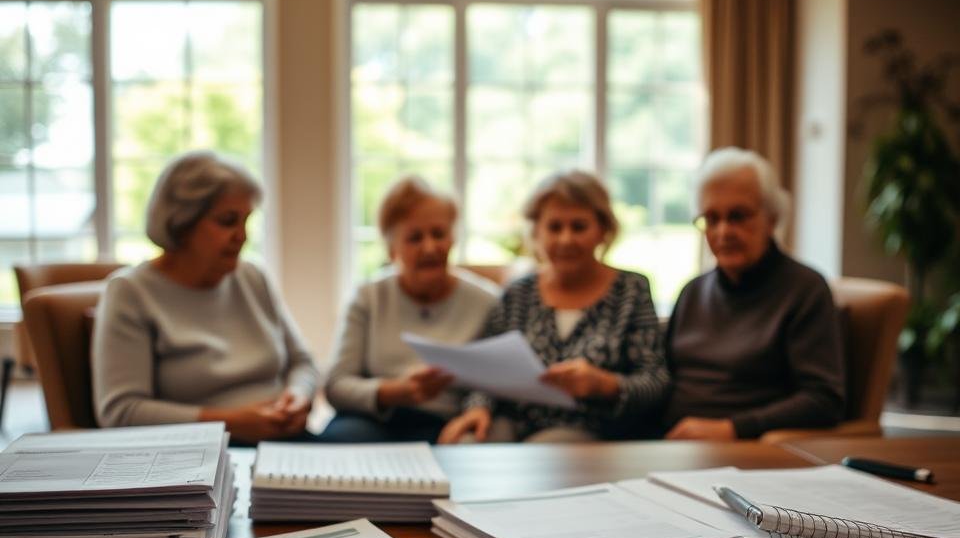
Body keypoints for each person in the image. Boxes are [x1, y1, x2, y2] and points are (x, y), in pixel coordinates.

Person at [93, 151, 321, 445]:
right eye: (227, 221)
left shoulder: (252, 277)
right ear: (181, 223)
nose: (242, 236)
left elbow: (302, 362)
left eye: (246, 221)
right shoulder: (130, 292)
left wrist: (299, 396)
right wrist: (231, 423)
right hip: (201, 456)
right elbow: (120, 411)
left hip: (285, 441)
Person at [439, 170, 669, 444]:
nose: (565, 239)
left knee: (546, 450)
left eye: (579, 227)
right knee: (465, 443)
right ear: (536, 232)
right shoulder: (518, 293)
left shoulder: (631, 290)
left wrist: (605, 384)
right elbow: (488, 370)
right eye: (554, 227)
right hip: (512, 421)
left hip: (590, 430)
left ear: (603, 230)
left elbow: (656, 380)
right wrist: (477, 408)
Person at [664, 147, 845, 440]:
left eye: (738, 216)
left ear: (772, 218)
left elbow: (824, 400)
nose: (723, 232)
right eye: (711, 218)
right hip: (670, 446)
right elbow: (664, 383)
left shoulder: (805, 290)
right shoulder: (693, 292)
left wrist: (732, 428)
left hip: (749, 454)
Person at [321, 176, 500, 443]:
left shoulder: (487, 301)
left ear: (452, 238)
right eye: (415, 238)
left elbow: (497, 378)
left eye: (438, 234)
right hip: (376, 417)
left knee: (470, 446)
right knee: (340, 442)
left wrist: (475, 409)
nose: (430, 247)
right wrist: (394, 392)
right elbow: (336, 386)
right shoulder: (368, 297)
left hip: (448, 421)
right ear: (392, 248)